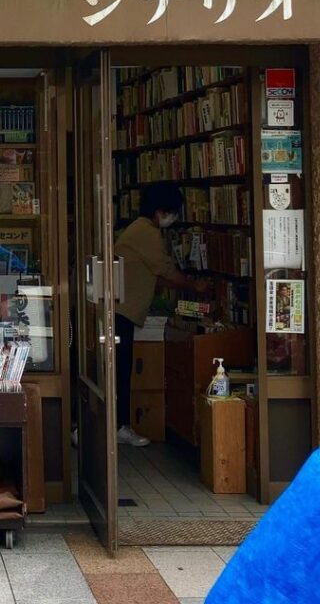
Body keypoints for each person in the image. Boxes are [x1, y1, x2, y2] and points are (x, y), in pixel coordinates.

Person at [113, 181, 208, 447]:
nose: (173, 218)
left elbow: (154, 274)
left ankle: (117, 425)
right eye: (172, 212)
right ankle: (117, 426)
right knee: (121, 369)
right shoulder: (147, 233)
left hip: (123, 308)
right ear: (160, 211)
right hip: (122, 311)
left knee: (121, 368)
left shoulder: (139, 230)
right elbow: (165, 270)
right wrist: (195, 286)